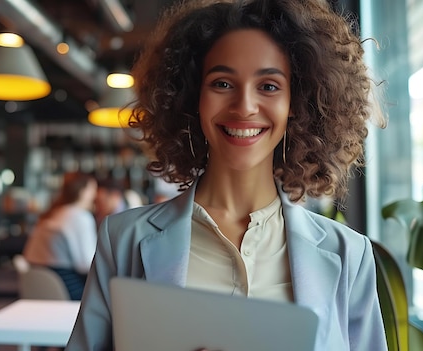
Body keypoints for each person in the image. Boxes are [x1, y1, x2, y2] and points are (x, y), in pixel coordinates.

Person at [67, 0, 387, 350]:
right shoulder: (123, 239)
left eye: (268, 86)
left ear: (298, 104)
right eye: (222, 83)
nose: (244, 106)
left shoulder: (349, 254)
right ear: (192, 98)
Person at [22, 172, 98, 300]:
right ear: (82, 191)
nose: (95, 195)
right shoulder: (80, 217)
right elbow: (86, 264)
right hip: (66, 287)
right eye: (93, 190)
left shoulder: (52, 213)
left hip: (39, 285)